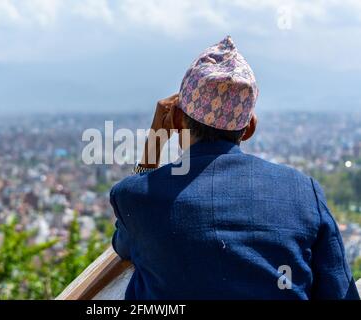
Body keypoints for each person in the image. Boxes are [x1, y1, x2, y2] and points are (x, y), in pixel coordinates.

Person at [110, 36, 360, 300]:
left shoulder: (137, 198)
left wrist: (154, 143)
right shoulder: (304, 193)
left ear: (176, 119)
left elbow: (124, 244)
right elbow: (341, 292)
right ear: (249, 128)